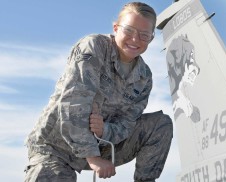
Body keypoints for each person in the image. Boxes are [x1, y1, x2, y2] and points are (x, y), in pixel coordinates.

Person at [24, 2, 173, 182]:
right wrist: (92, 157)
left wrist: (105, 130)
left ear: (151, 38)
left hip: (103, 144)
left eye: (144, 35)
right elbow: (74, 103)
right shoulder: (94, 47)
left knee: (160, 124)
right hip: (57, 146)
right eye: (129, 31)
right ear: (116, 28)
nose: (135, 40)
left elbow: (127, 123)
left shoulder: (144, 76)